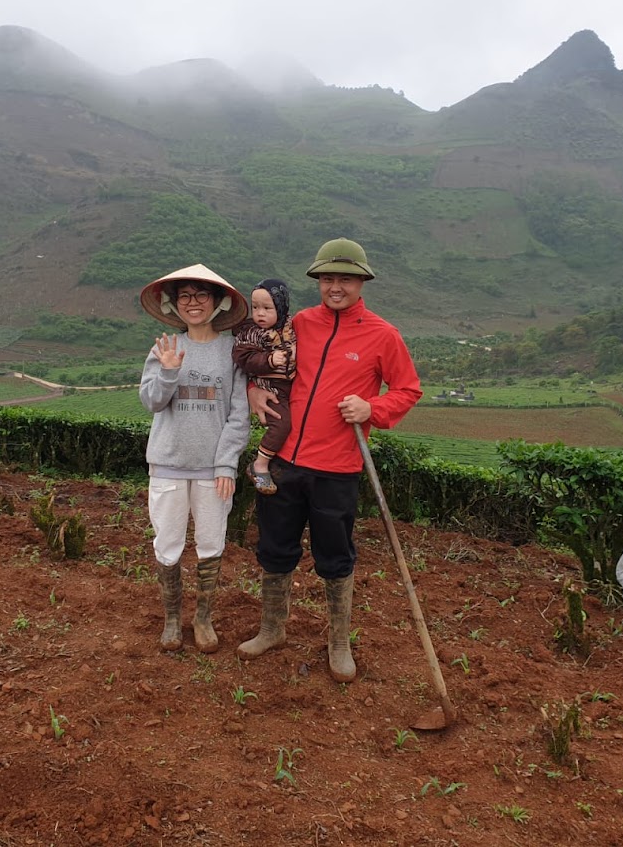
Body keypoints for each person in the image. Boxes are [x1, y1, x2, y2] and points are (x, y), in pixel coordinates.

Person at [237, 238, 422, 682]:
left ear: (361, 282)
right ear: (318, 282)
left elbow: (407, 390)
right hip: (283, 460)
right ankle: (271, 629)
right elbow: (265, 366)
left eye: (345, 278)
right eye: (327, 279)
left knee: (334, 557)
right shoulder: (300, 322)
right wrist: (253, 390)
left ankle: (338, 643)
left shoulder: (383, 335)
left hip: (337, 467)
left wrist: (371, 409)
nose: (335, 286)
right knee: (274, 549)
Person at [138, 264, 250, 653]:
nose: (193, 303)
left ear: (218, 302)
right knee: (167, 544)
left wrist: (226, 464)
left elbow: (239, 415)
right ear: (175, 304)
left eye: (201, 295)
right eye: (184, 295)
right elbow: (151, 401)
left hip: (211, 469)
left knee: (210, 543)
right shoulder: (164, 348)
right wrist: (169, 372)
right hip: (168, 462)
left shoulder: (232, 351)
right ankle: (172, 618)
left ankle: (203, 618)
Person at [231, 279, 297, 495]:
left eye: (267, 308)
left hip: (289, 385)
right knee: (282, 424)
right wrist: (268, 359)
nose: (260, 314)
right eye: (255, 307)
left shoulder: (290, 327)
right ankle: (259, 464)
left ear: (281, 307)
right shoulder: (251, 332)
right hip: (269, 386)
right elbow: (243, 357)